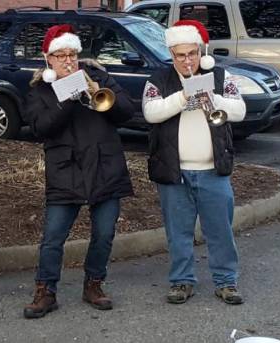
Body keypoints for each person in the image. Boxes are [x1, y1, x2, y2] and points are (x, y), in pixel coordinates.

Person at [21, 24, 134, 319]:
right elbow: (41, 128)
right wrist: (68, 99)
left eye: (72, 54)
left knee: (104, 233)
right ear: (49, 59)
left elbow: (127, 110)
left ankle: (94, 284)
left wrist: (98, 90)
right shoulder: (40, 90)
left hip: (104, 165)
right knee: (54, 236)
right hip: (65, 169)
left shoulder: (97, 76)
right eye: (61, 55)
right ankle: (46, 290)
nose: (68, 61)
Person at [141, 20, 246, 305]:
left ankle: (226, 281)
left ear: (201, 51)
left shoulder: (221, 75)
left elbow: (240, 110)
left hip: (213, 169)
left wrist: (212, 97)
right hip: (174, 170)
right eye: (181, 55)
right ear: (172, 54)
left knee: (220, 230)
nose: (188, 60)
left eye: (192, 53)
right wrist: (183, 96)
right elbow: (151, 113)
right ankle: (181, 281)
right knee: (178, 232)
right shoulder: (158, 80)